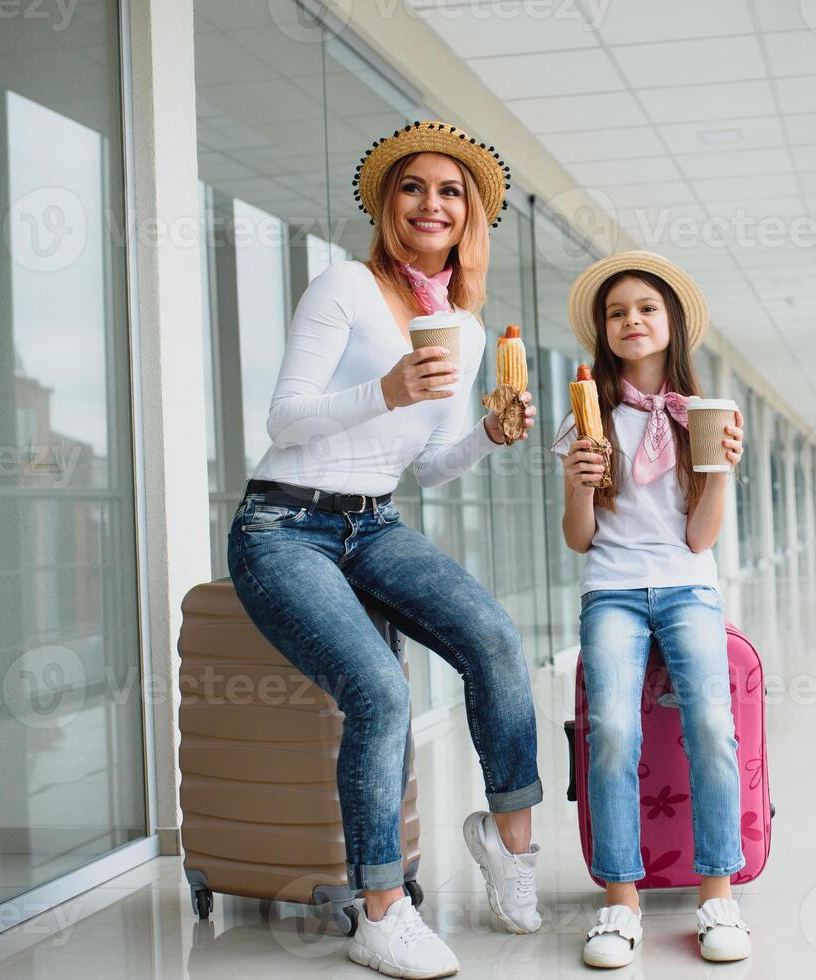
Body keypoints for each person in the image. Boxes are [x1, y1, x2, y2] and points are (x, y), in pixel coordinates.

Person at [227, 121, 541, 979]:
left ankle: (509, 840)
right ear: (388, 205)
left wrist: (486, 433)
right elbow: (284, 421)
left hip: (375, 524)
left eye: (449, 192)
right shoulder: (344, 288)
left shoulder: (465, 330)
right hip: (282, 526)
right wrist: (385, 388)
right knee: (378, 688)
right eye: (413, 188)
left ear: (469, 215)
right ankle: (381, 911)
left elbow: (428, 466)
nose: (431, 203)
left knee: (494, 640)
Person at [551, 251, 751, 967]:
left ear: (672, 326)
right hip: (611, 589)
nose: (631, 321)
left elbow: (701, 536)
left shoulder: (705, 414)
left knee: (711, 723)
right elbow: (580, 539)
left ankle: (717, 891)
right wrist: (580, 481)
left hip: (689, 584)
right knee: (608, 727)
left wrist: (719, 468)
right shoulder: (586, 416)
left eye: (645, 309)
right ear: (602, 333)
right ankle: (620, 901)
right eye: (615, 313)